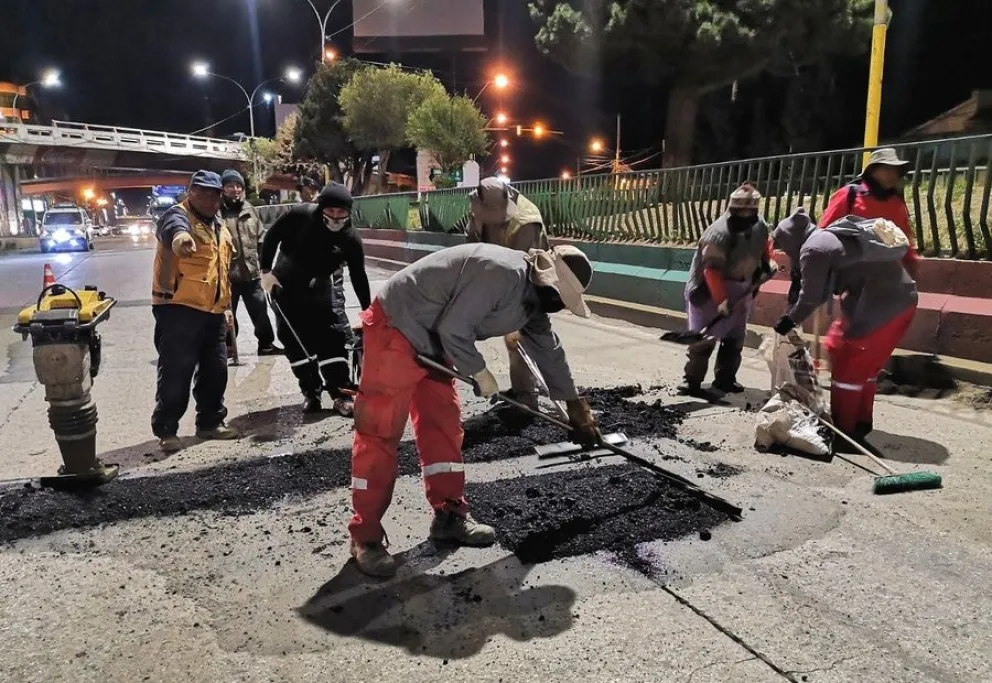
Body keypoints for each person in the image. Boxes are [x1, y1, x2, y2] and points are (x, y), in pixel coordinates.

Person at [349, 241, 602, 577]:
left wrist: (575, 407)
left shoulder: (535, 304)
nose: (556, 307)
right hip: (398, 326)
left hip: (434, 341)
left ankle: (449, 516)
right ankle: (365, 538)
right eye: (558, 298)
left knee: (444, 428)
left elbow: (549, 352)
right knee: (381, 432)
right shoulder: (499, 273)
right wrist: (480, 372)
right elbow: (455, 328)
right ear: (546, 281)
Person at [772, 209, 918, 447]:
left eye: (785, 249)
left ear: (791, 240)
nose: (787, 254)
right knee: (863, 367)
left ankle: (843, 432)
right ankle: (861, 422)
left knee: (848, 370)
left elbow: (810, 298)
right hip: (899, 301)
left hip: (883, 307)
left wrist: (788, 321)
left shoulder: (813, 249)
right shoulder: (828, 237)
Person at [259, 182, 371, 416]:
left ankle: (340, 393)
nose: (336, 217)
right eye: (331, 211)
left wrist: (367, 310)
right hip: (285, 283)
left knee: (331, 336)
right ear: (321, 209)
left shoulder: (350, 238)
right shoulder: (301, 215)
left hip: (319, 285)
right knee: (294, 340)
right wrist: (265, 271)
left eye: (342, 212)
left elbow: (359, 275)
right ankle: (311, 392)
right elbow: (272, 237)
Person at [151, 171, 240, 453]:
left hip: (213, 310)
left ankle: (210, 422)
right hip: (179, 308)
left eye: (215, 194)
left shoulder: (219, 226)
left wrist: (226, 309)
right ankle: (167, 430)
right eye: (203, 193)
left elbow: (222, 272)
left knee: (217, 369)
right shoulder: (177, 216)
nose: (211, 199)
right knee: (177, 371)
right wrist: (180, 240)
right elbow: (174, 232)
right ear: (191, 193)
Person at [679, 184, 775, 396]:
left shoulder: (759, 226)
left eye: (750, 211)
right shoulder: (718, 234)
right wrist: (721, 301)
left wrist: (766, 266)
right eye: (741, 212)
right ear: (732, 210)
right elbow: (711, 272)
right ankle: (692, 381)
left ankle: (725, 379)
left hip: (740, 291)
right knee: (703, 340)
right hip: (707, 292)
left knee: (734, 338)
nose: (746, 216)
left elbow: (764, 250)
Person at [466, 178, 550, 413]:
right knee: (511, 338)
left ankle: (530, 398)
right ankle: (520, 389)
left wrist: (507, 309)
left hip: (528, 279)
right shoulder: (477, 205)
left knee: (523, 336)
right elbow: (471, 246)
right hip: (494, 273)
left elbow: (520, 272)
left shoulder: (526, 223)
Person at [818, 148, 921, 280]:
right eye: (887, 169)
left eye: (896, 171)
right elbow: (823, 228)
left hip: (888, 270)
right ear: (873, 171)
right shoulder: (849, 195)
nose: (893, 175)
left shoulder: (897, 202)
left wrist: (911, 261)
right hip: (852, 268)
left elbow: (903, 235)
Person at [220, 169, 282, 357]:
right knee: (227, 316)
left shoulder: (250, 209)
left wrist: (265, 267)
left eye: (238, 185)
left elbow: (261, 239)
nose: (235, 189)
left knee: (260, 313)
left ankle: (266, 345)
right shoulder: (216, 212)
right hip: (227, 276)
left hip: (251, 273)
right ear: (223, 189)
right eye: (231, 186)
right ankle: (228, 348)